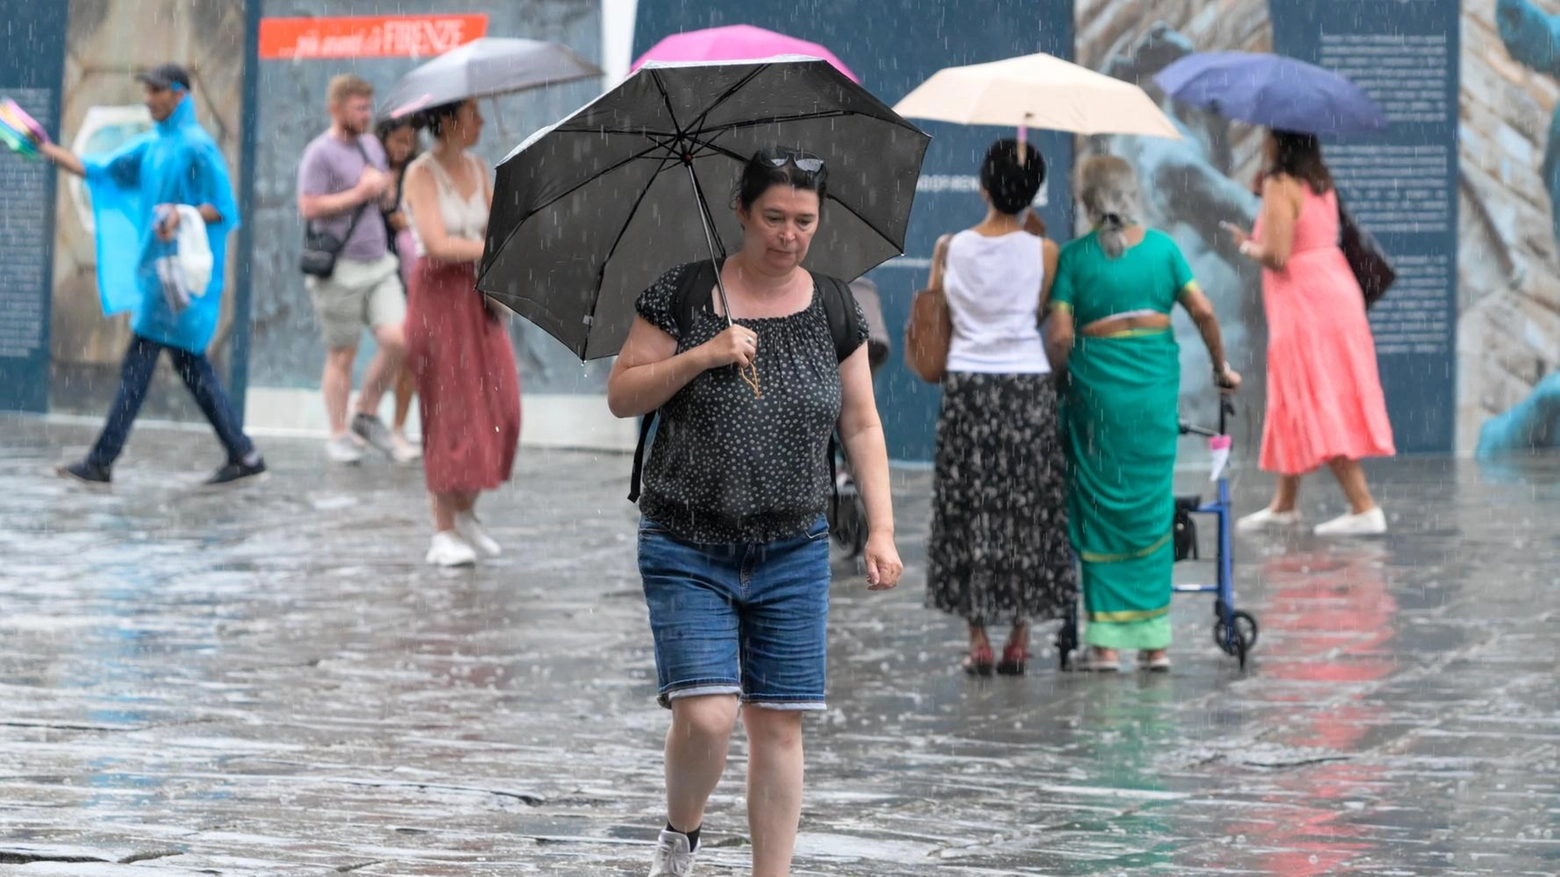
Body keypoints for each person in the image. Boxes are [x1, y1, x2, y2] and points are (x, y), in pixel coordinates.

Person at [606, 148, 904, 877]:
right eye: (774, 217)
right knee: (707, 714)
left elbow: (862, 424)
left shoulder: (837, 306)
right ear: (740, 211)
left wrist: (882, 527)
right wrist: (699, 356)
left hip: (793, 545)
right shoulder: (681, 293)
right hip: (686, 538)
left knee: (778, 724)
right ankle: (681, 832)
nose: (789, 234)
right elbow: (622, 392)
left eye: (804, 219)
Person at [1046, 155, 1240, 673]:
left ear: (1088, 203)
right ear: (1133, 198)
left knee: (1098, 506)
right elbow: (1204, 310)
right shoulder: (1164, 251)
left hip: (1097, 397)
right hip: (1153, 395)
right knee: (1151, 508)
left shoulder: (1076, 258)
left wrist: (1058, 381)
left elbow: (1062, 334)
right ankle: (1156, 644)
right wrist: (1222, 368)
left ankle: (1105, 644)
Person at [42, 63, 265, 487]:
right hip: (158, 282)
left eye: (155, 91)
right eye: (146, 90)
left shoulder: (198, 148)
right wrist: (48, 151)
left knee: (142, 369)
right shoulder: (150, 146)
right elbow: (99, 170)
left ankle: (103, 460)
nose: (147, 98)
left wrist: (182, 216)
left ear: (179, 94)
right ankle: (242, 452)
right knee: (191, 370)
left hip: (177, 284)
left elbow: (225, 208)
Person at [925, 139, 1075, 677]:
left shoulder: (950, 246)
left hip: (967, 384)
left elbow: (935, 314)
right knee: (1026, 507)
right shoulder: (1046, 251)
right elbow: (1038, 314)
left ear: (982, 187)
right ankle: (1019, 634)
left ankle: (978, 637)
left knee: (969, 508)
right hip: (1026, 384)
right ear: (1033, 193)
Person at [1226, 130, 1395, 536]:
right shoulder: (1318, 183)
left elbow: (1278, 254)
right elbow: (1304, 232)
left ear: (1280, 144)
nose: (1262, 142)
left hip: (1304, 302)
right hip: (1333, 293)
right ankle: (1284, 503)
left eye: (1267, 136)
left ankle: (1363, 506)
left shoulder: (1279, 184)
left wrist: (1246, 244)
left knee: (1314, 394)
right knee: (1298, 393)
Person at [401, 99, 520, 567]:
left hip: (479, 295)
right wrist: (489, 247)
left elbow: (498, 228)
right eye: (473, 113)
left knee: (502, 407)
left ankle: (466, 510)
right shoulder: (420, 173)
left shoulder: (476, 167)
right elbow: (435, 242)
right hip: (437, 299)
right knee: (449, 411)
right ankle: (443, 529)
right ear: (449, 121)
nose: (482, 121)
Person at [296, 74, 412, 465]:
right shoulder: (320, 153)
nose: (366, 114)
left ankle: (366, 412)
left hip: (378, 262)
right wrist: (359, 193)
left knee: (399, 339)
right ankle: (338, 432)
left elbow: (383, 203)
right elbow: (309, 206)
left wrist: (386, 191)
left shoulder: (370, 148)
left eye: (368, 106)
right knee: (342, 354)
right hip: (339, 267)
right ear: (336, 108)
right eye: (358, 107)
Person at [375, 116, 422, 462]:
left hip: (410, 276)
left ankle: (397, 427)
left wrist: (410, 218)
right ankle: (367, 416)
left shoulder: (417, 174)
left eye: (409, 141)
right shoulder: (371, 171)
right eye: (397, 141)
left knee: (408, 355)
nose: (402, 149)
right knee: (391, 348)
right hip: (377, 274)